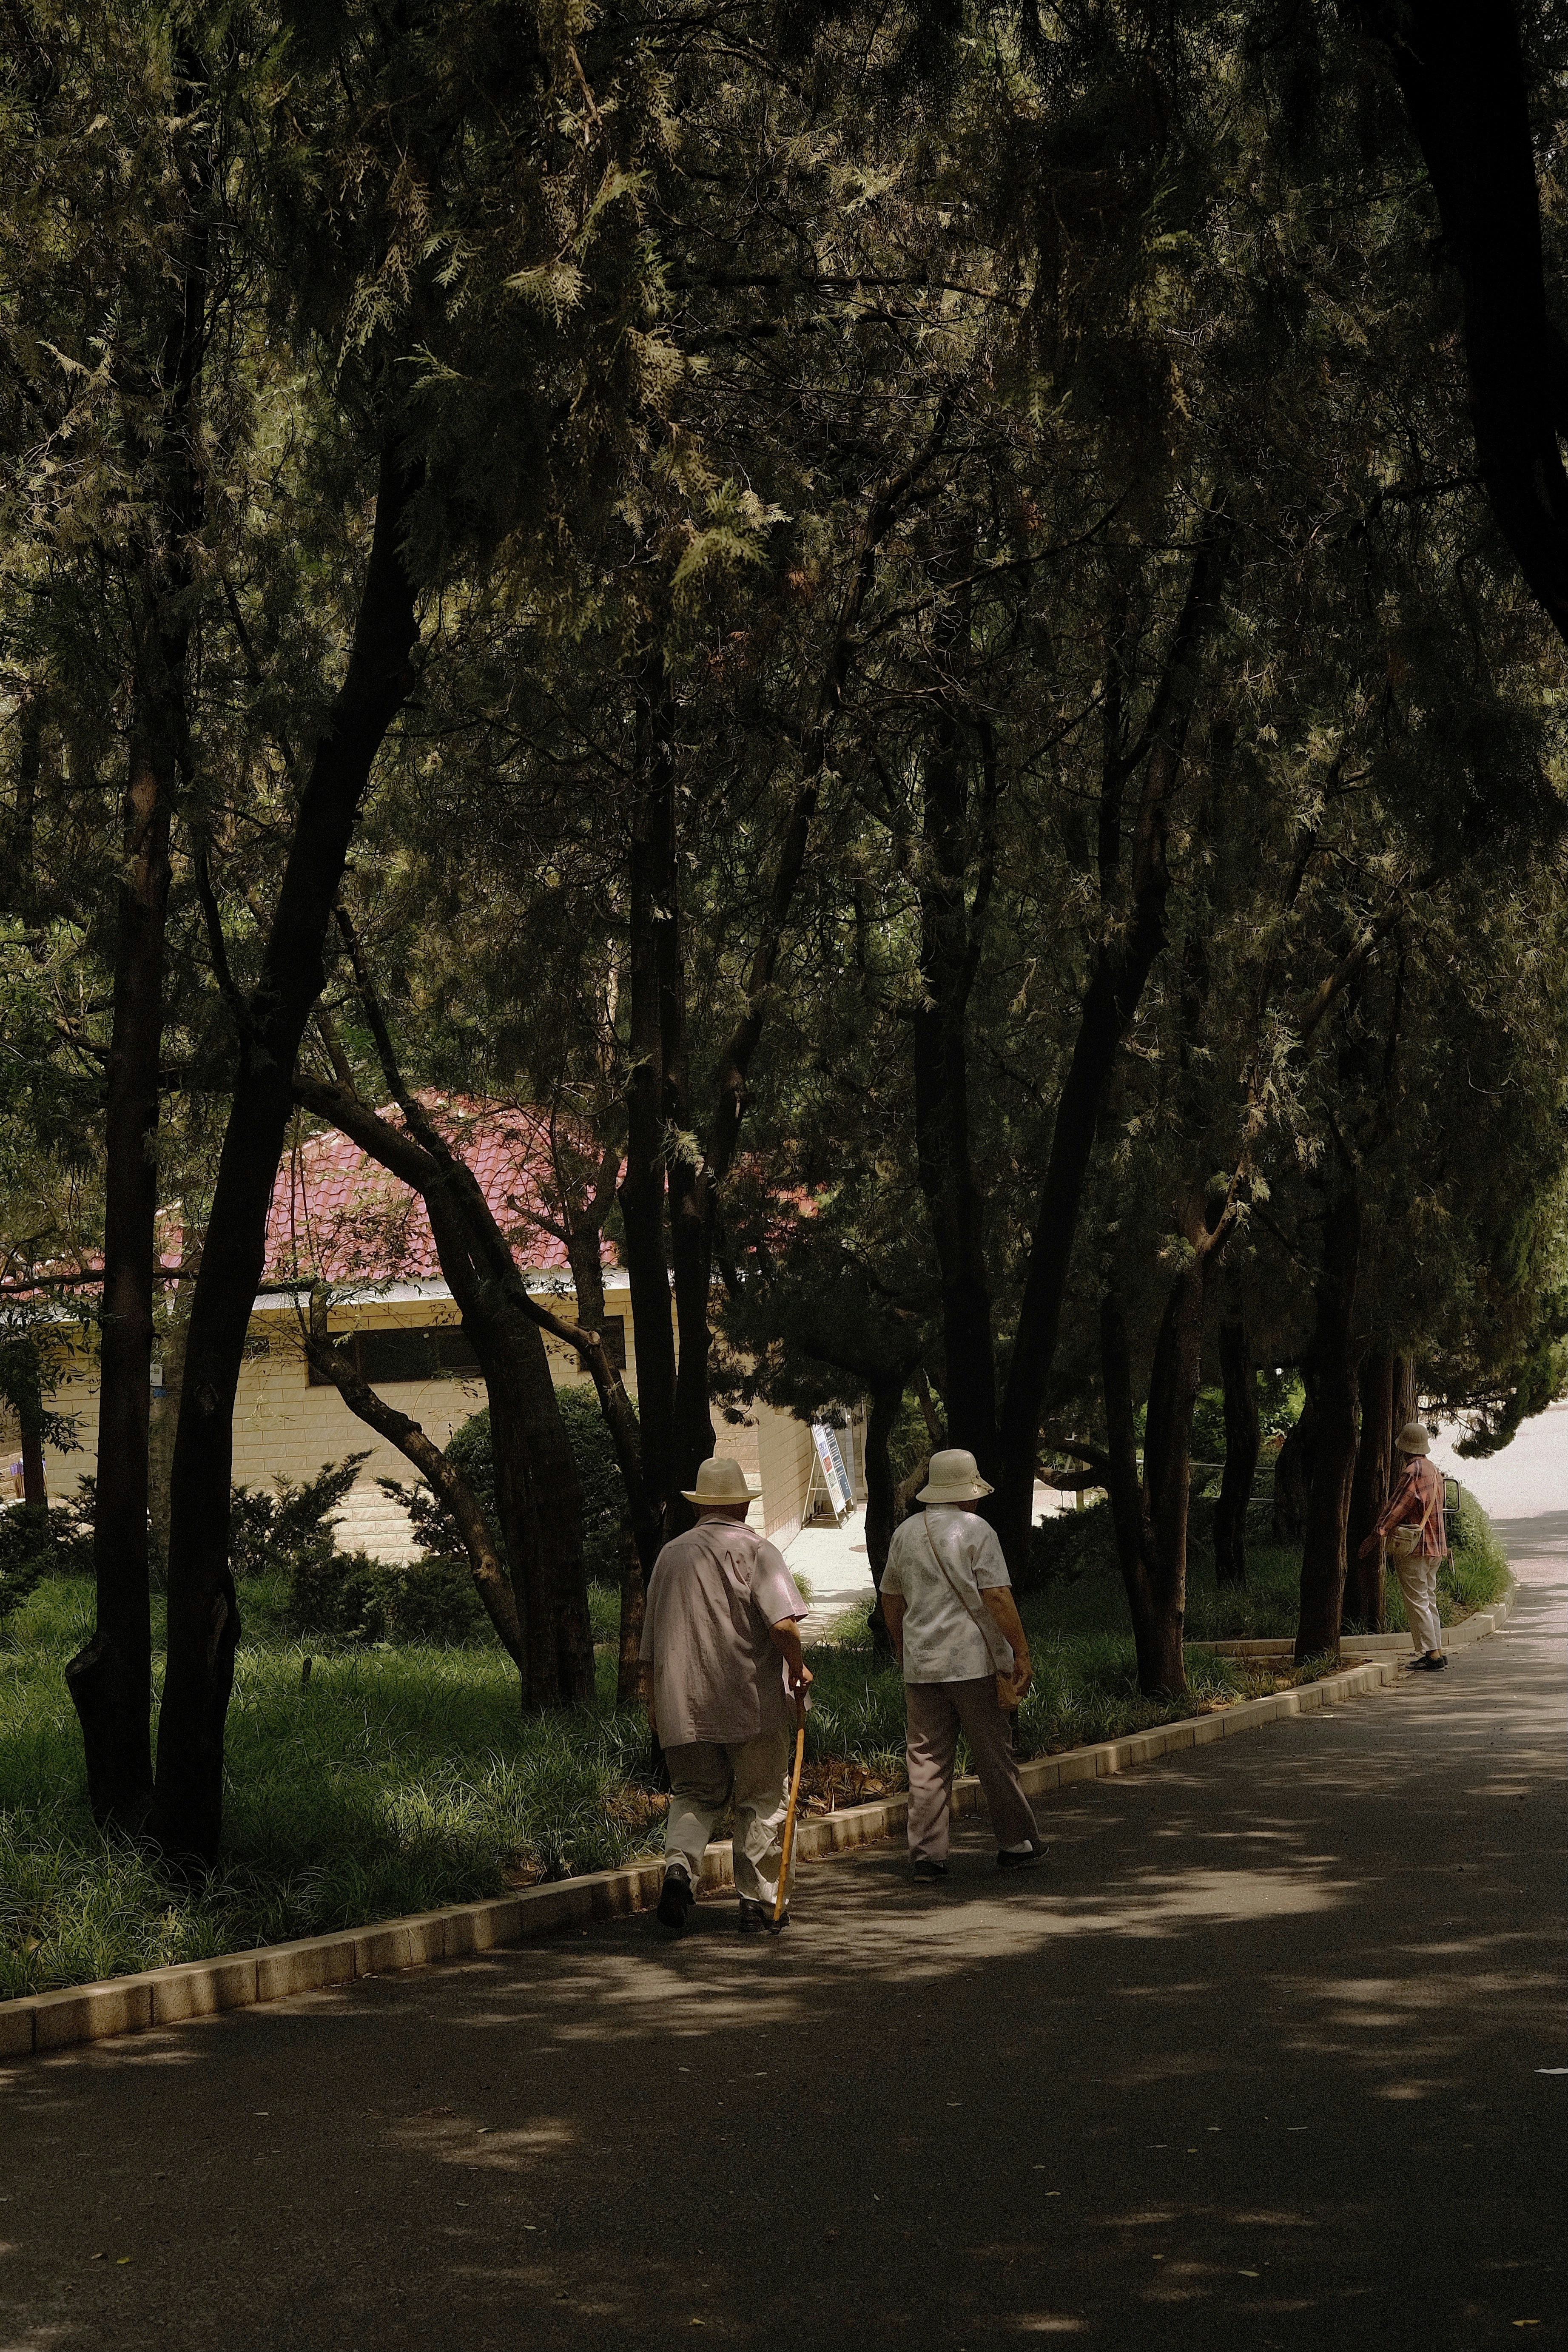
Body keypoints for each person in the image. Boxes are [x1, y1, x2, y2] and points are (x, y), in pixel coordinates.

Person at [640, 1456, 812, 1937]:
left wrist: (655, 1704)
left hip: (682, 1703)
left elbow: (649, 1647)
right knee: (760, 1797)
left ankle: (679, 1868)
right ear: (740, 1502)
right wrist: (798, 1667)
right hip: (749, 1700)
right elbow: (782, 1625)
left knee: (694, 1792)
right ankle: (757, 1902)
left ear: (699, 1506)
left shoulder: (670, 1554)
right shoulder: (756, 1550)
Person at [879, 1448, 1042, 1880]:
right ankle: (1015, 1842)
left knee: (926, 1758)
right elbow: (997, 1596)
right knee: (993, 1753)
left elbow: (891, 1598)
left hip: (922, 1664)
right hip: (972, 1662)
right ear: (968, 1491)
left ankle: (928, 1855)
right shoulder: (976, 1530)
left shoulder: (905, 1533)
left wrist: (901, 1645)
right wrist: (1021, 1652)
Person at [1359, 1420, 1449, 1670]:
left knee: (1418, 1599)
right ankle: (1438, 1650)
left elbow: (1398, 1507)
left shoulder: (1413, 1472)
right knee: (1429, 1597)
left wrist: (1376, 1536)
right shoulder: (1432, 1469)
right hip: (1436, 1545)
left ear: (1404, 1448)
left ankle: (1431, 1655)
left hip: (1416, 1547)